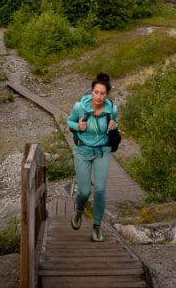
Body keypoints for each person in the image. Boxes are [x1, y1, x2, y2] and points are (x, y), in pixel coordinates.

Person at [66, 71, 118, 242]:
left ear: (107, 94)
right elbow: (69, 121)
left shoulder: (112, 109)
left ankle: (96, 226)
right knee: (84, 191)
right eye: (96, 92)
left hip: (102, 151)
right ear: (91, 91)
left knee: (101, 189)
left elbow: (115, 126)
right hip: (82, 151)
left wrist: (113, 126)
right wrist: (77, 125)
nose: (98, 96)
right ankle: (79, 210)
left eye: (102, 93)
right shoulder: (80, 107)